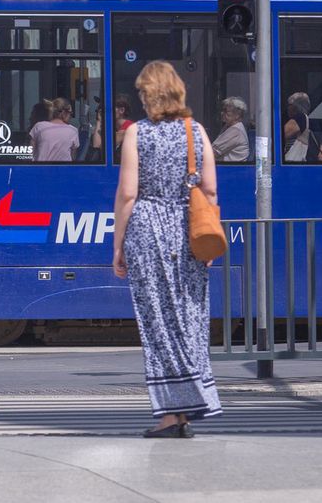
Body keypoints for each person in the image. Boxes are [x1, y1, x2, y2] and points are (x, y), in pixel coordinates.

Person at [112, 60, 222, 438]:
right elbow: (209, 190)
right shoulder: (197, 131)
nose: (141, 99)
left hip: (148, 232)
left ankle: (170, 416)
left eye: (143, 92)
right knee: (190, 317)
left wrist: (118, 246)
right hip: (188, 233)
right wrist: (206, 238)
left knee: (158, 323)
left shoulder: (136, 134)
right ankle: (190, 406)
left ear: (151, 94)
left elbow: (128, 193)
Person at [30, 98, 80, 162]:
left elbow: (31, 151)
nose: (71, 116)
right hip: (63, 170)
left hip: (41, 169)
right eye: (71, 113)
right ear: (65, 113)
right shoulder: (73, 131)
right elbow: (73, 156)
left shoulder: (39, 127)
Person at [283, 93, 322, 162]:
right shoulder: (311, 123)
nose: (287, 108)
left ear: (297, 106)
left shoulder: (300, 118)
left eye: (289, 105)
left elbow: (278, 136)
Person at [213, 97, 251, 163]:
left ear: (237, 115)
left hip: (231, 169)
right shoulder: (229, 127)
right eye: (222, 110)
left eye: (226, 111)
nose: (222, 113)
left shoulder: (235, 131)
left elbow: (212, 153)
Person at [112, 94, 135, 158]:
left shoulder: (129, 128)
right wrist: (99, 120)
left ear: (121, 110)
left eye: (110, 108)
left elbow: (104, 148)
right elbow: (96, 146)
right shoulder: (113, 127)